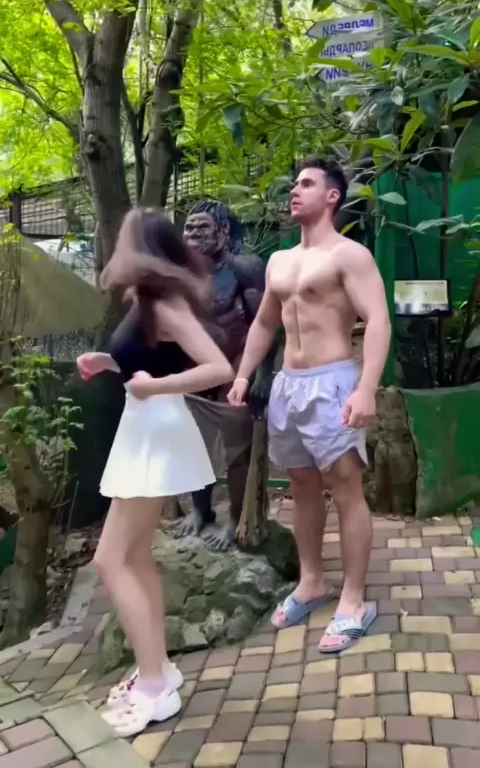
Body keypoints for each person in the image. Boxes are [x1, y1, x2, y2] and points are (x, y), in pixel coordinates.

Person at [76, 209, 233, 736]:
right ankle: (158, 669)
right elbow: (151, 360)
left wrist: (153, 387)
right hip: (145, 428)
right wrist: (110, 363)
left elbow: (218, 368)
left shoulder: (164, 303)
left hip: (155, 432)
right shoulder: (145, 300)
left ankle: (153, 685)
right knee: (135, 555)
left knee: (110, 560)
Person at [227, 155, 391, 653]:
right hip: (288, 385)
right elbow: (264, 323)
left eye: (306, 183)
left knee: (345, 489)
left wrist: (366, 387)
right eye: (294, 184)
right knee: (301, 486)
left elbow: (378, 320)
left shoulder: (350, 255)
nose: (294, 191)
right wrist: (243, 374)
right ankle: (312, 581)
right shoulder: (279, 261)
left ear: (332, 196)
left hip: (332, 383)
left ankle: (354, 600)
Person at [172, 199, 276, 550]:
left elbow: (266, 324)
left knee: (237, 453)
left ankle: (235, 519)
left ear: (224, 230)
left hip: (236, 370)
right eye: (189, 228)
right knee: (193, 447)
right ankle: (201, 511)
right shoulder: (181, 273)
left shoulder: (245, 268)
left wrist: (263, 374)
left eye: (202, 227)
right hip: (194, 373)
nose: (193, 234)